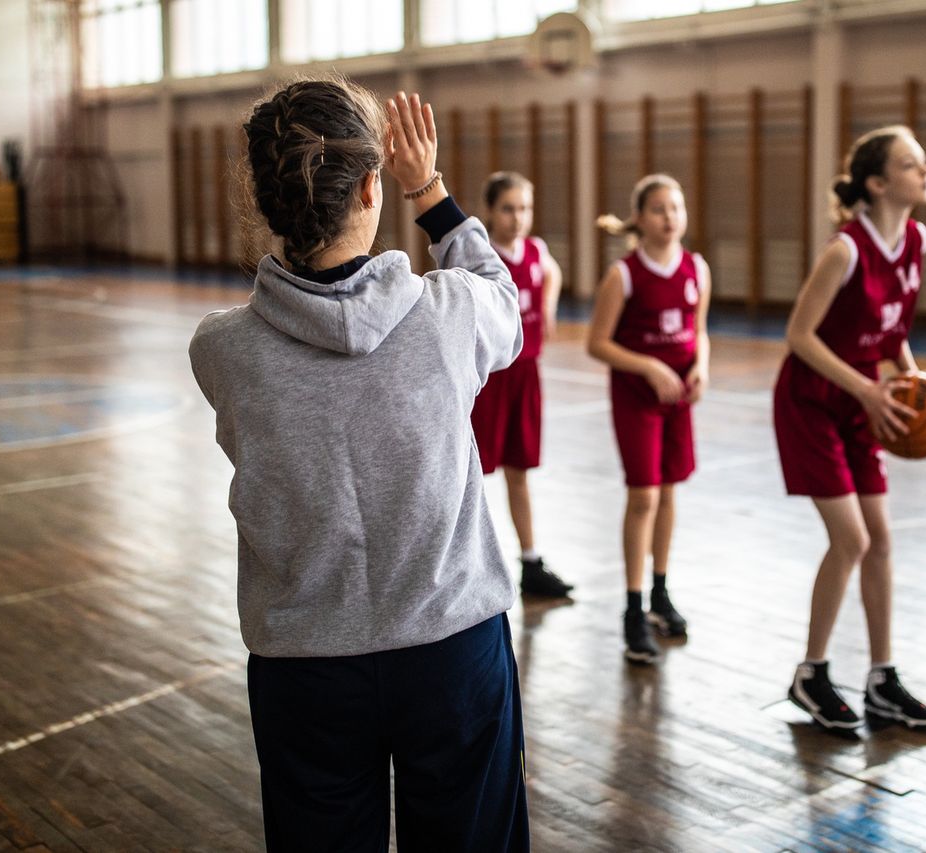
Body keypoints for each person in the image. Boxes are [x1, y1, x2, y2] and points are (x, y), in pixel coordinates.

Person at [188, 79, 530, 850]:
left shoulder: (220, 349)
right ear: (373, 186)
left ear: (268, 199)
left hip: (304, 670)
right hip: (452, 650)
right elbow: (506, 298)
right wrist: (431, 189)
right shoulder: (452, 314)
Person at [774, 124, 926, 732]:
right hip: (813, 401)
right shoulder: (846, 249)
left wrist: (917, 387)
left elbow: (893, 333)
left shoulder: (916, 240)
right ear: (877, 183)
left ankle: (882, 679)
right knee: (852, 540)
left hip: (861, 402)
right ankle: (811, 673)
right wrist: (871, 387)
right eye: (911, 165)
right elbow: (799, 337)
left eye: (923, 164)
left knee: (882, 540)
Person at [586, 174, 711, 664]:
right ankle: (632, 609)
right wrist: (650, 366)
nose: (670, 217)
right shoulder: (625, 274)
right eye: (659, 209)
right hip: (638, 396)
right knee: (644, 496)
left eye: (676, 207)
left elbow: (700, 332)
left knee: (670, 491)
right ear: (640, 219)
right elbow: (597, 342)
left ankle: (660, 592)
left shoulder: (696, 268)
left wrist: (701, 365)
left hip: (678, 396)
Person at [472, 171, 573, 597]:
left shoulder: (536, 250)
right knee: (473, 473)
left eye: (525, 208)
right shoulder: (480, 257)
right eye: (509, 209)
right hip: (489, 377)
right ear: (491, 212)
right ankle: (468, 564)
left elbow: (552, 272)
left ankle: (530, 562)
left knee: (520, 472)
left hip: (526, 373)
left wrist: (548, 305)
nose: (518, 218)